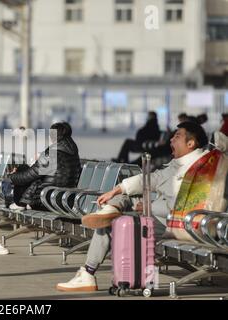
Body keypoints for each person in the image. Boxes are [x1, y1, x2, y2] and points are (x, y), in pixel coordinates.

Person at [56, 121, 209, 292]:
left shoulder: (201, 170)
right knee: (124, 198)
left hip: (173, 223)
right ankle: (110, 210)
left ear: (191, 143)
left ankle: (88, 273)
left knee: (112, 223)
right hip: (159, 214)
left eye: (177, 136)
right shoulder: (179, 164)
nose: (171, 139)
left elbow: (184, 209)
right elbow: (152, 178)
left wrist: (147, 208)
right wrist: (117, 189)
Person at [6, 122, 81, 211]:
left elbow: (27, 176)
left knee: (22, 170)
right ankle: (20, 203)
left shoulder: (52, 153)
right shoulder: (73, 153)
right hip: (66, 199)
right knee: (24, 169)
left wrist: (10, 176)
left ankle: (19, 204)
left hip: (47, 200)